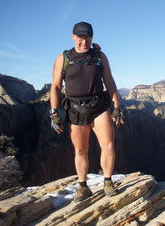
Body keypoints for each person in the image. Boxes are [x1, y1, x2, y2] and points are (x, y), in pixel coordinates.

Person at [49, 21, 124, 202]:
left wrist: (117, 106)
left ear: (92, 37)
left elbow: (110, 82)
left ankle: (108, 181)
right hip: (75, 109)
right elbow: (56, 87)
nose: (84, 42)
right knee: (80, 150)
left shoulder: (99, 56)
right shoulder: (63, 58)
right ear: (73, 37)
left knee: (108, 146)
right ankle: (83, 187)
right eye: (81, 38)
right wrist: (53, 112)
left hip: (99, 106)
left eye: (88, 38)